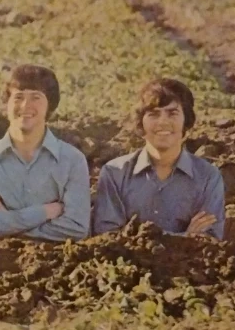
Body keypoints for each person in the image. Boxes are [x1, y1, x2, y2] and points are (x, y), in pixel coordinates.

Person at [0, 65, 91, 241]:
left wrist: (7, 227)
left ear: (50, 106)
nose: (25, 105)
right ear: (7, 104)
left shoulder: (72, 160)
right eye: (18, 97)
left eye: (36, 97)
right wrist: (43, 212)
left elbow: (76, 227)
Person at [94, 78, 225, 239]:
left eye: (172, 113)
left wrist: (135, 237)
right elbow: (107, 237)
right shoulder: (115, 173)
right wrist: (185, 237)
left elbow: (209, 240)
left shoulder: (208, 177)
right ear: (141, 122)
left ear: (186, 120)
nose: (163, 122)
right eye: (154, 114)